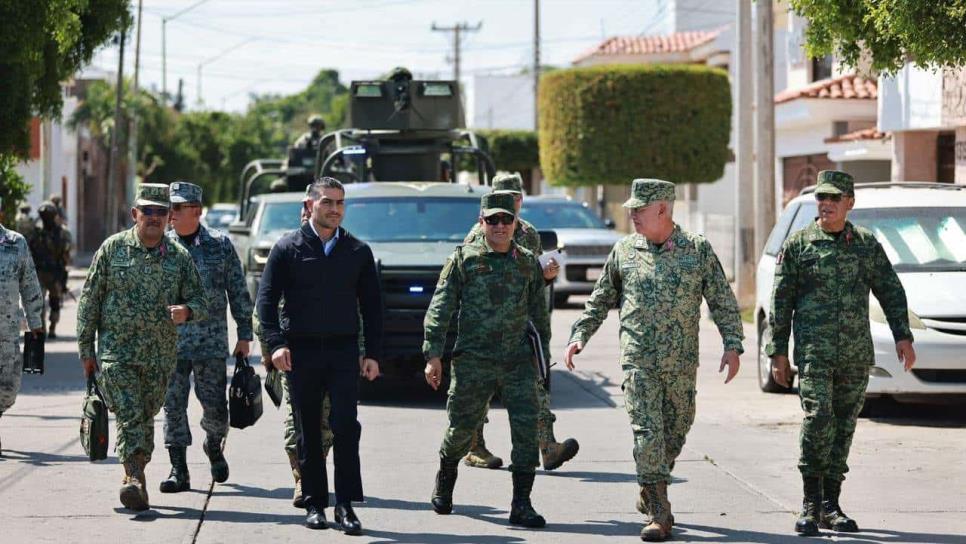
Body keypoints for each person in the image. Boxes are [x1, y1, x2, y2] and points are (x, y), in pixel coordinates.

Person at [564, 178, 743, 542]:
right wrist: (579, 335)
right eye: (630, 209)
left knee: (676, 430)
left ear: (662, 209)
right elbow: (600, 299)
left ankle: (650, 486)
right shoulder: (625, 251)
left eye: (639, 209)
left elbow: (722, 300)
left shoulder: (697, 250)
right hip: (638, 362)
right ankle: (660, 512)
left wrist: (733, 343)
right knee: (648, 436)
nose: (631, 215)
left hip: (680, 364)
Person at [766, 170, 916, 536]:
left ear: (850, 202)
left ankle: (831, 505)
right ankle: (810, 504)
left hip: (854, 353)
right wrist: (778, 351)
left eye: (834, 199)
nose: (826, 205)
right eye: (821, 198)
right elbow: (781, 301)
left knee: (844, 426)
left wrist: (903, 336)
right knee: (818, 420)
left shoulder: (865, 244)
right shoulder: (800, 245)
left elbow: (890, 290)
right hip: (815, 353)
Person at [257, 176, 382, 534]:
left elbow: (372, 308)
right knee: (307, 429)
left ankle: (345, 505)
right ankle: (314, 503)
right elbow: (266, 302)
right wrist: (276, 343)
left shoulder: (358, 251)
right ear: (310, 205)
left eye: (340, 203)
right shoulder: (287, 248)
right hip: (302, 351)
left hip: (343, 351)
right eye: (327, 202)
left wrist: (371, 353)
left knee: (346, 426)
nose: (335, 209)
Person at [76, 183, 208, 512]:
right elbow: (89, 301)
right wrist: (86, 351)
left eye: (160, 212)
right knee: (131, 415)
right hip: (116, 354)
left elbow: (201, 301)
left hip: (159, 358)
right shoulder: (112, 250)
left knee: (146, 414)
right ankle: (132, 477)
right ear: (135, 214)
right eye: (146, 211)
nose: (153, 217)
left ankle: (139, 475)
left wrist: (187, 311)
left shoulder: (179, 258)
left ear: (169, 218)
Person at [424, 191, 550, 529]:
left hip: (517, 361)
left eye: (506, 219)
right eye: (492, 219)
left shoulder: (526, 262)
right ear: (482, 222)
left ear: (515, 223)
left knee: (525, 432)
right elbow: (441, 307)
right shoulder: (464, 259)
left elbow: (539, 312)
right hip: (474, 361)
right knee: (461, 430)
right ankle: (446, 475)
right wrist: (433, 354)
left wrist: (544, 358)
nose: (499, 226)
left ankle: (521, 504)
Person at [461, 173, 577, 472]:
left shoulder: (530, 233)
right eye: (502, 196)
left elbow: (533, 280)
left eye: (513, 196)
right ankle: (474, 446)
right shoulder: (478, 234)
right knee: (481, 390)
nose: (509, 203)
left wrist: (548, 276)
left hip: (528, 324)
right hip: (489, 327)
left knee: (535, 385)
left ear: (521, 200)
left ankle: (547, 446)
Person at [159, 182, 253, 494]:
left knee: (215, 408)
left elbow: (238, 290)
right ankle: (178, 468)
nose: (170, 213)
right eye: (170, 207)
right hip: (170, 344)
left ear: (196, 211)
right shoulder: (159, 245)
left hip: (210, 343)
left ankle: (214, 445)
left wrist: (244, 333)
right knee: (173, 406)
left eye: (178, 207)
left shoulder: (220, 245)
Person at [252, 191, 333, 508]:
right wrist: (269, 347)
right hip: (291, 349)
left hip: (331, 349)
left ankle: (315, 471)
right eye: (308, 206)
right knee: (297, 417)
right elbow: (264, 305)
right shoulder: (285, 249)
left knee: (326, 420)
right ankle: (302, 480)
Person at [0, 210, 44, 456]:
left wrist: (35, 320)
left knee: (8, 387)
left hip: (7, 331)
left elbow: (29, 282)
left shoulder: (16, 243)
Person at [26, 202, 71, 339]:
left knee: (53, 301)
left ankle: (50, 328)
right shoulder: (40, 233)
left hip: (52, 273)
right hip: (43, 272)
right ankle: (47, 328)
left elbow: (65, 253)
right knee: (46, 301)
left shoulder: (58, 233)